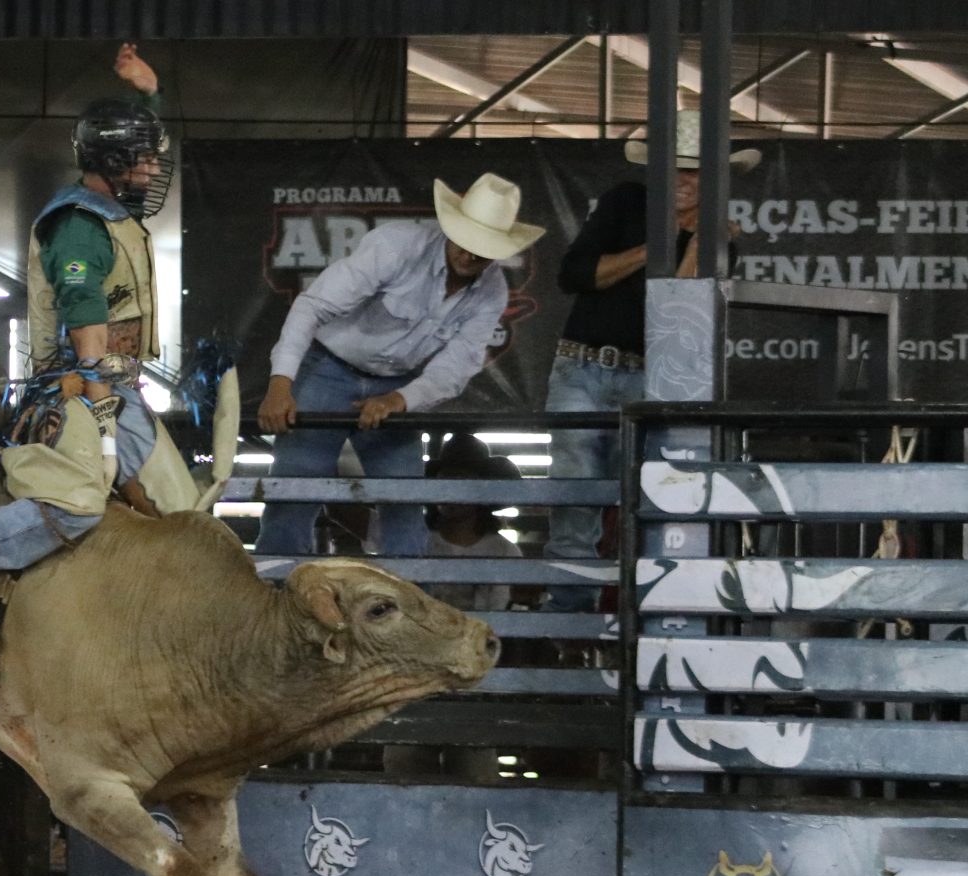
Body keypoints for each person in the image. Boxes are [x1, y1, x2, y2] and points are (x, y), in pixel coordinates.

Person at [0, 43, 184, 630]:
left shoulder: (111, 212)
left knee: (180, 509)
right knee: (76, 505)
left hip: (117, 388)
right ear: (113, 161)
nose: (156, 169)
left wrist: (150, 93)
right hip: (75, 387)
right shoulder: (78, 226)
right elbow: (83, 306)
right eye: (145, 160)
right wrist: (91, 381)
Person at [255, 173, 542, 558]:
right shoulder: (397, 246)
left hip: (396, 385)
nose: (471, 254)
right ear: (451, 228)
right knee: (293, 496)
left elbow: (457, 367)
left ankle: (410, 606)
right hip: (327, 367)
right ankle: (274, 600)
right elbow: (313, 306)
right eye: (466, 241)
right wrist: (280, 384)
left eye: (483, 248)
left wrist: (400, 400)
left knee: (405, 503)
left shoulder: (492, 292)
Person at [542, 108, 760, 613]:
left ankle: (648, 621)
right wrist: (659, 240)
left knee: (652, 499)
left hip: (651, 373)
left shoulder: (718, 236)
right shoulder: (624, 202)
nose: (684, 179)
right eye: (675, 168)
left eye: (696, 170)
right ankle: (570, 622)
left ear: (715, 179)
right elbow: (576, 274)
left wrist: (702, 238)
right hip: (584, 366)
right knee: (576, 494)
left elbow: (677, 311)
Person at [382, 434, 524, 782]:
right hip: (413, 676)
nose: (454, 490)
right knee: (404, 767)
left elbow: (494, 617)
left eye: (464, 480)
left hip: (471, 679)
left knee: (476, 774)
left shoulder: (503, 551)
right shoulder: (412, 539)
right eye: (446, 479)